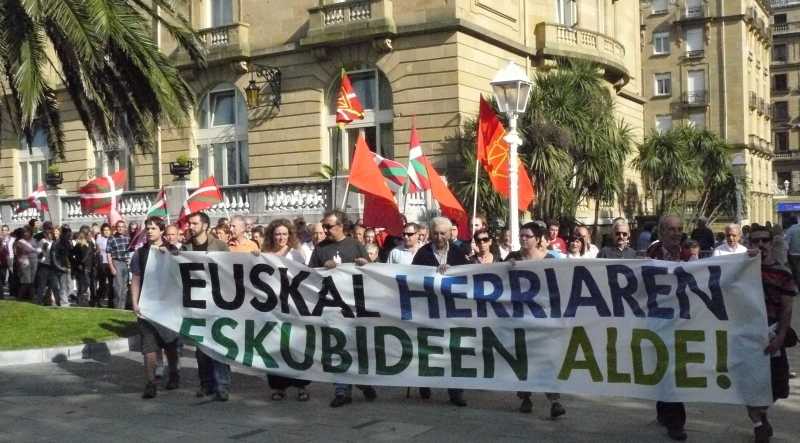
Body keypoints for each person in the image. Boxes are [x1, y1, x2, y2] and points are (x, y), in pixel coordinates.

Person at [308, 210, 376, 408]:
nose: (325, 229)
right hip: (332, 307)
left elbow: (372, 274)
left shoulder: (356, 245)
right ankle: (341, 390)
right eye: (324, 225)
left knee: (355, 348)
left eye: (329, 226)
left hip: (355, 308)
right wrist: (321, 269)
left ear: (341, 226)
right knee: (338, 347)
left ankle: (362, 383)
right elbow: (309, 275)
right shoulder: (320, 248)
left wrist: (366, 264)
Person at [505, 221, 566, 418]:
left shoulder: (550, 260)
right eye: (521, 235)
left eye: (527, 236)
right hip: (519, 318)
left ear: (538, 239)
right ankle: (525, 396)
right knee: (523, 358)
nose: (523, 239)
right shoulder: (512, 257)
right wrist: (507, 268)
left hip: (543, 318)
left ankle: (554, 400)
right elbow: (495, 278)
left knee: (546, 357)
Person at [411, 217, 470, 407]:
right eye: (435, 233)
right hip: (429, 309)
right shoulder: (423, 253)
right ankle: (425, 383)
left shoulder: (459, 253)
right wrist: (433, 272)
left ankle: (455, 391)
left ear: (450, 233)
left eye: (442, 233)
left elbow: (468, 276)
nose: (439, 237)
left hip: (452, 311)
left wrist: (453, 272)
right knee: (428, 348)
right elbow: (412, 277)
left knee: (454, 350)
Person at [747, 225, 796, 442]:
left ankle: (762, 413)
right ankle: (758, 423)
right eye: (755, 241)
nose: (760, 245)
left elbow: (787, 308)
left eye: (764, 241)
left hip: (773, 333)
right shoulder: (741, 270)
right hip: (746, 337)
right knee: (749, 385)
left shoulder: (783, 272)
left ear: (770, 243)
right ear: (749, 244)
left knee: (779, 386)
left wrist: (781, 336)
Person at [646, 215, 689, 441]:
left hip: (683, 322)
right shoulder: (651, 255)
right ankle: (665, 410)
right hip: (657, 321)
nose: (676, 233)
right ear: (661, 232)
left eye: (680, 229)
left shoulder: (690, 255)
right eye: (671, 229)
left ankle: (676, 422)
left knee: (675, 370)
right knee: (663, 367)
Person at [181, 211, 232, 401]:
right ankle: (206, 384)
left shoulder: (220, 246)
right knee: (201, 350)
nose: (190, 227)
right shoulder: (186, 246)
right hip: (196, 304)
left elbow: (230, 272)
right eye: (190, 224)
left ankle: (223, 385)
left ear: (205, 225)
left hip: (218, 303)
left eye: (194, 223)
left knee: (219, 345)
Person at [130, 217, 180, 399]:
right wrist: (135, 302)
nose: (150, 231)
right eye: (147, 228)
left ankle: (174, 373)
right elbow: (135, 278)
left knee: (170, 345)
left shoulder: (173, 251)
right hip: (147, 307)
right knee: (148, 347)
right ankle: (150, 383)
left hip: (168, 307)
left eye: (153, 228)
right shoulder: (140, 253)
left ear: (161, 231)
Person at [261, 218, 311, 401]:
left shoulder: (297, 254)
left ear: (289, 235)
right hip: (272, 307)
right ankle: (278, 387)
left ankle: (301, 386)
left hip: (293, 306)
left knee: (296, 346)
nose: (281, 237)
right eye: (277, 234)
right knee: (274, 346)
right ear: (271, 236)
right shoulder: (264, 254)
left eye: (284, 234)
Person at [106, 220, 131, 310]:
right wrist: (111, 266)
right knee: (118, 286)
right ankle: (118, 308)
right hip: (116, 262)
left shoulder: (128, 238)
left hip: (126, 263)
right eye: (118, 226)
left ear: (124, 228)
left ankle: (123, 307)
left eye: (122, 226)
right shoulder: (111, 238)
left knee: (125, 287)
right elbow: (108, 253)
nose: (120, 228)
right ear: (116, 228)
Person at [71, 229, 95, 306]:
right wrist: (77, 263)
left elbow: (92, 255)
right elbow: (71, 254)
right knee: (82, 285)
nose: (90, 236)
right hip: (82, 268)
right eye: (88, 235)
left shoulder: (91, 244)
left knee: (88, 285)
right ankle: (80, 301)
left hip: (90, 267)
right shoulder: (79, 244)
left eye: (91, 235)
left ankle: (87, 301)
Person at [13, 227, 37, 301]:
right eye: (24, 232)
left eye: (26, 232)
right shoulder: (20, 242)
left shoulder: (32, 241)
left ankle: (31, 299)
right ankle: (19, 299)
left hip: (31, 263)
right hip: (24, 263)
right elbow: (18, 255)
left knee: (31, 282)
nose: (25, 233)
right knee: (26, 282)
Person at [94, 223, 113, 307]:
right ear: (102, 231)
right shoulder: (99, 239)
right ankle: (98, 300)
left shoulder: (113, 239)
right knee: (102, 283)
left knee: (112, 283)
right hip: (102, 263)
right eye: (105, 230)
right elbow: (97, 251)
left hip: (111, 263)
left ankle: (111, 301)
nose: (106, 232)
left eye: (108, 230)